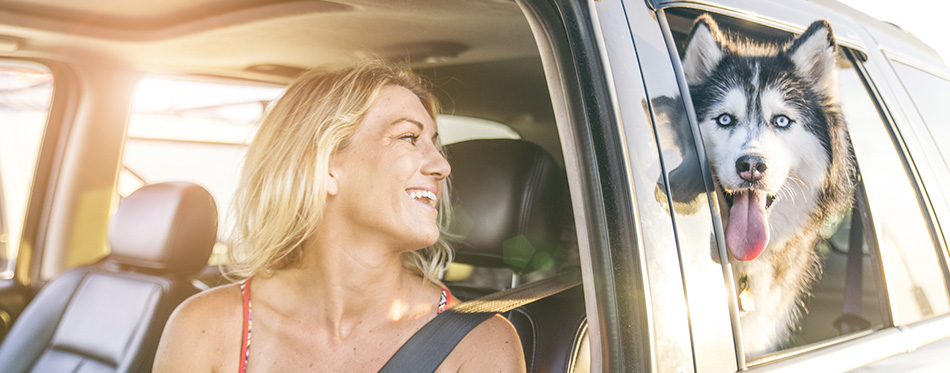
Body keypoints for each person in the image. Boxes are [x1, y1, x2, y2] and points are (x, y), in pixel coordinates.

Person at [154, 59, 525, 372]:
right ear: (326, 166)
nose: (442, 165)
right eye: (409, 138)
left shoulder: (479, 343)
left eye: (435, 143)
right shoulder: (207, 326)